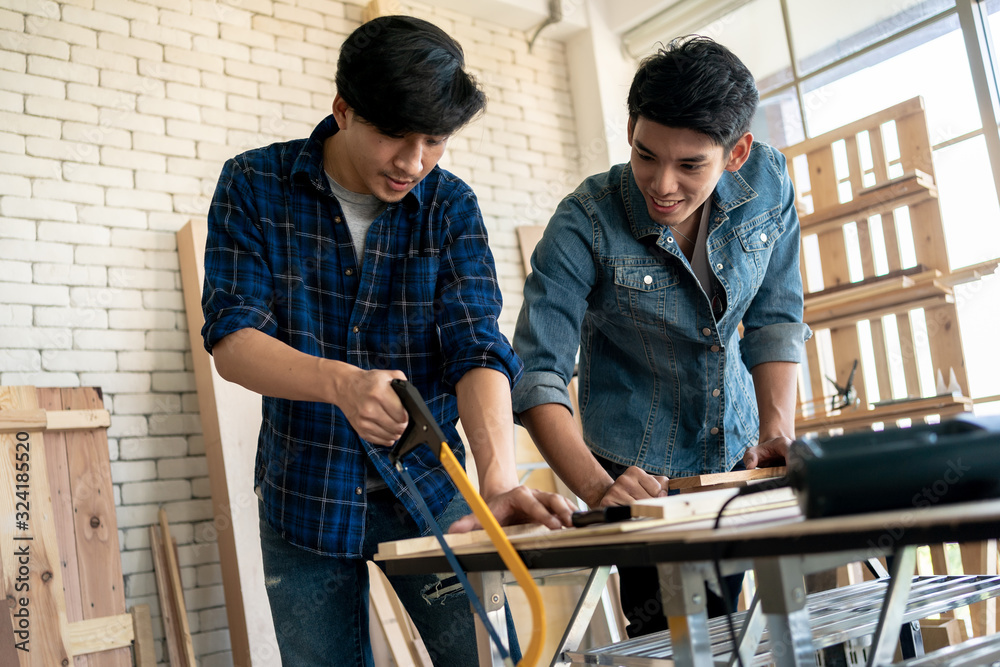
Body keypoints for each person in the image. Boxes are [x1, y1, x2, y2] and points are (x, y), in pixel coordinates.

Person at [201, 15, 575, 666]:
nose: (414, 162)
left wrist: (495, 478)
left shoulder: (450, 205)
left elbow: (476, 345)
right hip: (305, 497)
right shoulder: (254, 186)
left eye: (434, 140)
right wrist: (339, 383)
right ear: (343, 110)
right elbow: (233, 340)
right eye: (396, 137)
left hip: (436, 490)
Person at [512, 35, 811, 638]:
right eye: (647, 155)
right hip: (634, 470)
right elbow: (537, 373)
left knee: (761, 631)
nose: (662, 184)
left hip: (737, 452)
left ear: (737, 152)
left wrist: (778, 433)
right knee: (670, 640)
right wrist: (601, 491)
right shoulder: (584, 223)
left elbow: (777, 319)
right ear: (629, 129)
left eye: (690, 164)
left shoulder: (769, 184)